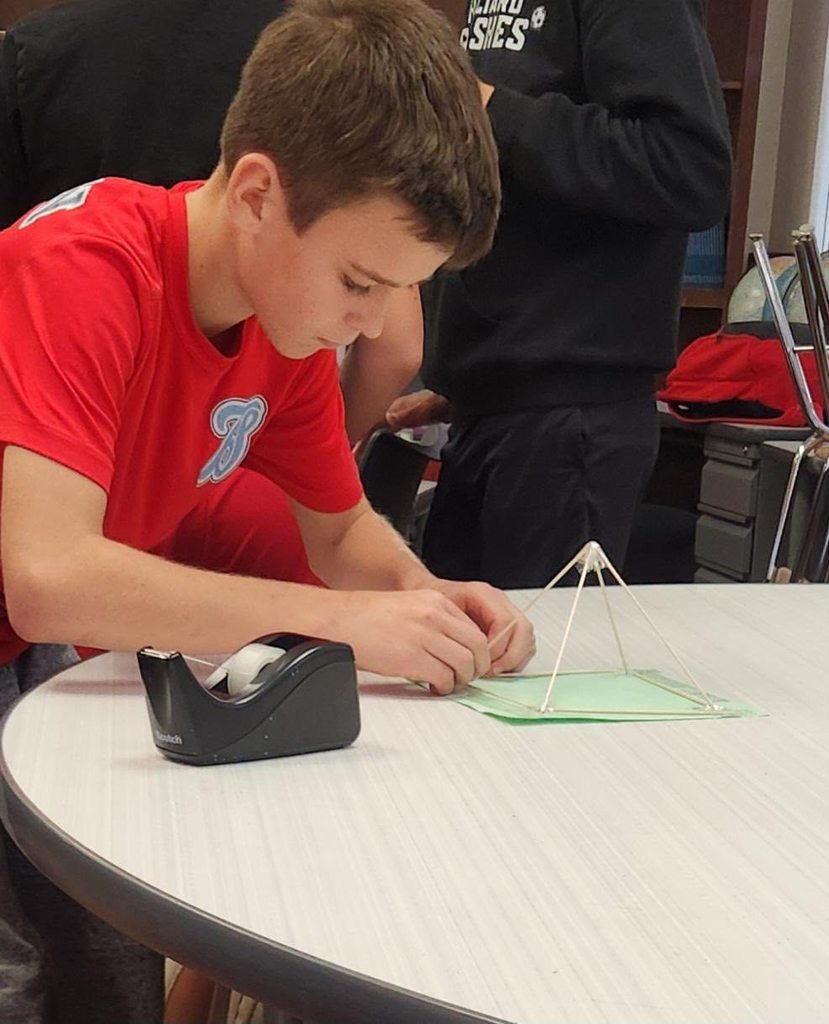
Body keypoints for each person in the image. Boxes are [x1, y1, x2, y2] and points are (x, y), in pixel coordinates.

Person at [0, 2, 534, 1021]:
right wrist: (345, 620)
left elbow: (337, 533)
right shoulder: (86, 269)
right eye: (361, 282)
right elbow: (49, 579)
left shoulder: (278, 321)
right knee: (31, 975)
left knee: (110, 963)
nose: (372, 323)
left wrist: (426, 604)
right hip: (23, 621)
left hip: (27, 648)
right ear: (256, 194)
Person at [387, 0, 732, 588]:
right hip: (492, 411)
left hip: (570, 419)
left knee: (539, 671)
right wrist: (467, 377)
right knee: (456, 656)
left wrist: (486, 106)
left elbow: (688, 167)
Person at [0, 0, 418, 446]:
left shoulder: (41, 48)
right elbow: (396, 347)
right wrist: (312, 458)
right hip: (231, 432)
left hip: (52, 398)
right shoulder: (333, 64)